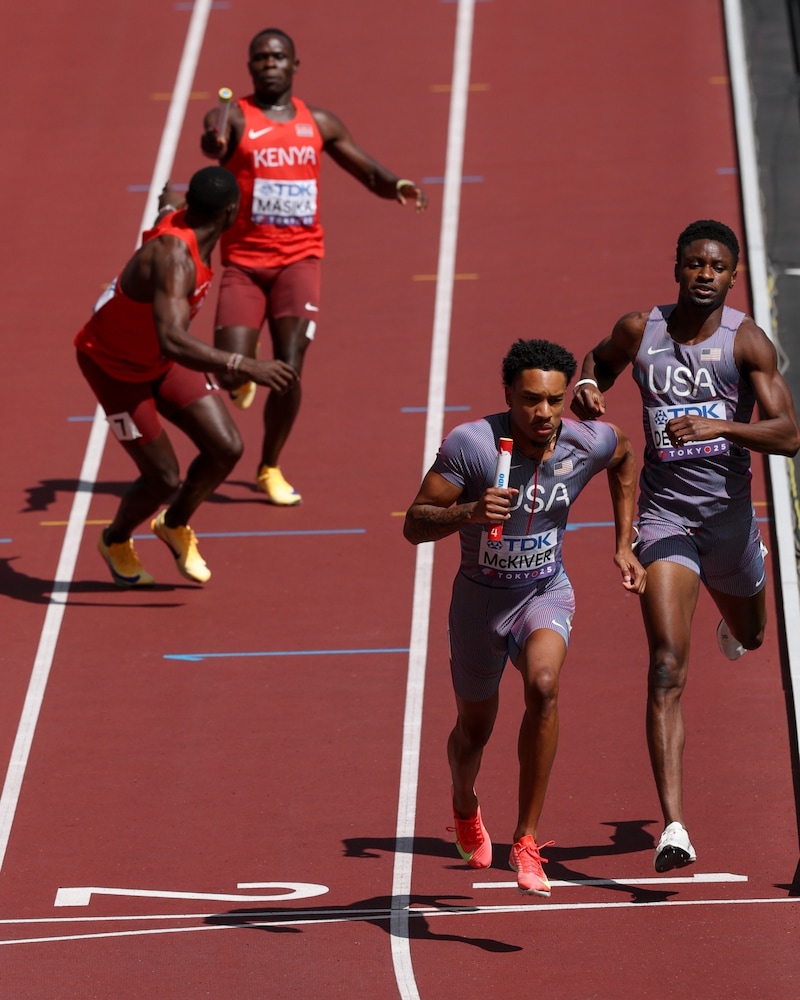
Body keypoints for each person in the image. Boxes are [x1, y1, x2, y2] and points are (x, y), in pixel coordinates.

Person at [570, 219, 800, 873]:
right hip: (666, 520)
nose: (705, 274)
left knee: (753, 637)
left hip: (728, 524)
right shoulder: (641, 331)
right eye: (694, 263)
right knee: (667, 666)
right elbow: (598, 365)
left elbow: (788, 434)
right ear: (678, 268)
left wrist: (723, 425)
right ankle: (674, 825)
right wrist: (590, 387)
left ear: (732, 277)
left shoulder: (746, 341)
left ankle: (737, 626)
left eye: (717, 266)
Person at [403, 339, 647, 896]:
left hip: (544, 593)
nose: (544, 414)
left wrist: (624, 542)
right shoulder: (472, 445)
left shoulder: (585, 441)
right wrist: (468, 510)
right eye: (531, 400)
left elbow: (626, 453)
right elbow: (414, 522)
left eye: (555, 401)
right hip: (478, 606)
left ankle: (527, 840)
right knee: (474, 731)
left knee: (543, 684)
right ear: (508, 395)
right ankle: (465, 805)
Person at [200, 27, 428, 506]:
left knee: (290, 369)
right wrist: (214, 139)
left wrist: (397, 184)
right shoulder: (234, 117)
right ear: (250, 67)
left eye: (278, 56)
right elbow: (214, 146)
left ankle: (269, 466)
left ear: (295, 65)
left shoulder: (318, 122)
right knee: (229, 371)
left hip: (299, 262)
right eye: (260, 57)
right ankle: (243, 375)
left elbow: (366, 170)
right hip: (244, 262)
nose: (270, 63)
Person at [75, 166, 297, 587]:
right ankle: (116, 539)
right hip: (114, 367)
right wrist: (245, 364)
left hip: (157, 358)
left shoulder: (184, 217)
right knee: (163, 477)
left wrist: (166, 199)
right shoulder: (176, 259)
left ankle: (174, 524)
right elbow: (174, 339)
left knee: (226, 447)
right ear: (230, 211)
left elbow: (168, 207)